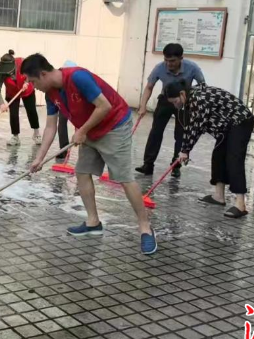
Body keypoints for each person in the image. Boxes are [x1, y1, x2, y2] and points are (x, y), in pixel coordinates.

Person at [22, 54, 157, 255]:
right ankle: (93, 222)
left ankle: (145, 228)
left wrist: (82, 130)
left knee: (124, 177)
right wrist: (39, 158)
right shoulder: (51, 94)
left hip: (114, 126)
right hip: (89, 129)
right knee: (82, 172)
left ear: (43, 74)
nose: (33, 87)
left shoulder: (78, 77)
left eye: (33, 81)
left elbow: (105, 106)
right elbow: (51, 126)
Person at [164, 79, 254, 218]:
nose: (175, 105)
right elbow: (192, 126)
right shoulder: (192, 98)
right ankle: (219, 196)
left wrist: (185, 150)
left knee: (234, 159)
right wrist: (184, 150)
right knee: (218, 156)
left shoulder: (198, 99)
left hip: (240, 121)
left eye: (175, 101)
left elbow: (196, 127)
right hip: (226, 127)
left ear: (182, 94)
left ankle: (240, 204)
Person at [136, 43, 206, 178]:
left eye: (172, 61)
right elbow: (149, 87)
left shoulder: (192, 68)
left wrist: (194, 103)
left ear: (181, 58)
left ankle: (176, 166)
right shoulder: (159, 68)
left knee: (181, 134)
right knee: (155, 132)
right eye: (166, 60)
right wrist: (143, 106)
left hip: (185, 103)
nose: (169, 64)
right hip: (166, 100)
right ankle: (148, 164)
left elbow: (203, 87)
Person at [0, 50, 41, 146]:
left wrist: (27, 81)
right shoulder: (0, 70)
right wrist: (1, 103)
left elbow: (31, 71)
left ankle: (36, 133)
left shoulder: (22, 62)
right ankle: (15, 137)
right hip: (12, 92)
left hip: (26, 89)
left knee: (31, 111)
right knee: (13, 114)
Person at [56, 60, 77, 161]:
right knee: (62, 124)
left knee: (81, 128)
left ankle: (86, 152)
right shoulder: (59, 84)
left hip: (77, 105)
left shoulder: (77, 81)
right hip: (64, 105)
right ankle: (63, 150)